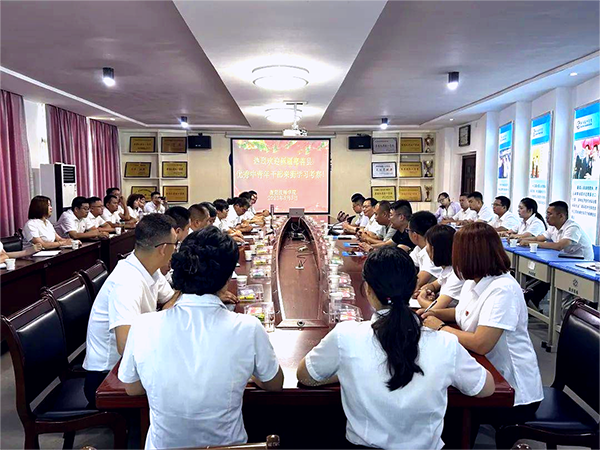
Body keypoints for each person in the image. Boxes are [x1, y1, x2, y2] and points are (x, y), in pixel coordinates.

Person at [297, 246, 494, 450]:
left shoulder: (345, 336)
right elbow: (485, 388)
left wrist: (347, 370)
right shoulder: (446, 343)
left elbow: (306, 376)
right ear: (413, 287)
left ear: (368, 290)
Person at [118, 227, 283, 449]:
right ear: (227, 278)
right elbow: (274, 383)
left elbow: (132, 388)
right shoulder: (248, 327)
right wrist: (248, 373)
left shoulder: (143, 326)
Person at [421, 223, 543, 422]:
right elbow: (462, 313)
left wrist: (441, 327)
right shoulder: (473, 280)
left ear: (469, 255)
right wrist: (434, 313)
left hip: (512, 391)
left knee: (444, 407)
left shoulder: (502, 289)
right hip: (488, 372)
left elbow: (481, 343)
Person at [83, 214, 178, 407]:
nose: (175, 250)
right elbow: (125, 345)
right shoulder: (127, 282)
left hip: (128, 365)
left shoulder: (149, 268)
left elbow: (170, 299)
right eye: (174, 245)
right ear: (163, 249)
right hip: (107, 377)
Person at [519, 201, 594, 259]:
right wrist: (520, 240)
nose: (546, 217)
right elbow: (538, 238)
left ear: (561, 216)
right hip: (565, 259)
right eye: (547, 214)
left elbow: (558, 246)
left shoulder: (573, 227)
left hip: (581, 263)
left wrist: (530, 243)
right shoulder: (553, 227)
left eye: (550, 214)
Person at [417, 225, 463, 310]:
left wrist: (420, 298)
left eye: (427, 245)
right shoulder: (448, 268)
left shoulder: (457, 274)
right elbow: (434, 285)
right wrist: (425, 290)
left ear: (433, 249)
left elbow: (435, 308)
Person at [407, 211, 442, 293]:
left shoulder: (433, 252)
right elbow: (405, 266)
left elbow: (416, 283)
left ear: (414, 235)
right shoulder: (418, 248)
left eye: (408, 230)